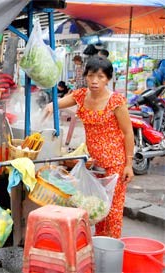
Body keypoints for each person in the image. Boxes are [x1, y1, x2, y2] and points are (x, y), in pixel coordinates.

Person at [44, 56, 134, 238]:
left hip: (114, 164)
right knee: (96, 207)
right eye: (91, 75)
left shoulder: (116, 101)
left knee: (112, 213)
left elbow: (128, 133)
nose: (95, 81)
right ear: (85, 76)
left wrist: (129, 164)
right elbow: (54, 105)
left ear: (108, 79)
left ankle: (110, 253)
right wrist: (48, 108)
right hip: (93, 163)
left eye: (100, 77)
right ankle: (99, 247)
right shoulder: (80, 96)